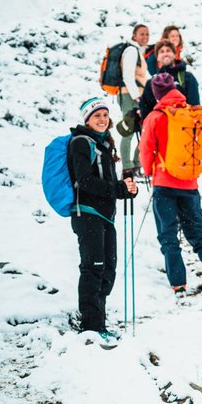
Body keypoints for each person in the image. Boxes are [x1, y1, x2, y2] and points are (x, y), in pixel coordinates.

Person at [139, 73, 202, 297]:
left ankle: (178, 283)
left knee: (168, 235)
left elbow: (146, 150)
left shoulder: (155, 117)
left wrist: (148, 172)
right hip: (190, 183)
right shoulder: (193, 113)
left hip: (164, 182)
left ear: (157, 94)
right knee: (195, 230)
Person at [67, 97, 137, 346]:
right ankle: (90, 326)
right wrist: (117, 189)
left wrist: (125, 189)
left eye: (105, 115)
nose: (102, 119)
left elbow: (107, 185)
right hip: (87, 214)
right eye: (97, 115)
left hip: (105, 216)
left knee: (108, 269)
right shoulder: (80, 143)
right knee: (93, 269)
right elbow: (84, 181)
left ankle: (99, 322)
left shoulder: (104, 144)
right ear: (87, 119)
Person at [139, 39, 200, 120]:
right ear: (157, 57)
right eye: (162, 52)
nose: (165, 54)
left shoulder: (187, 77)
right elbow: (146, 110)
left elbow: (195, 106)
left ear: (174, 54)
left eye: (168, 50)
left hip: (182, 127)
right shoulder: (151, 82)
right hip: (159, 128)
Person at [118, 23, 150, 172]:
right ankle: (127, 166)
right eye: (141, 34)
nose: (145, 37)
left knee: (143, 129)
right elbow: (127, 76)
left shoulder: (138, 52)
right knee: (129, 130)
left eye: (147, 34)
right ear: (134, 36)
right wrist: (137, 97)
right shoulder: (131, 51)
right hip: (129, 95)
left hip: (135, 95)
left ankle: (136, 163)